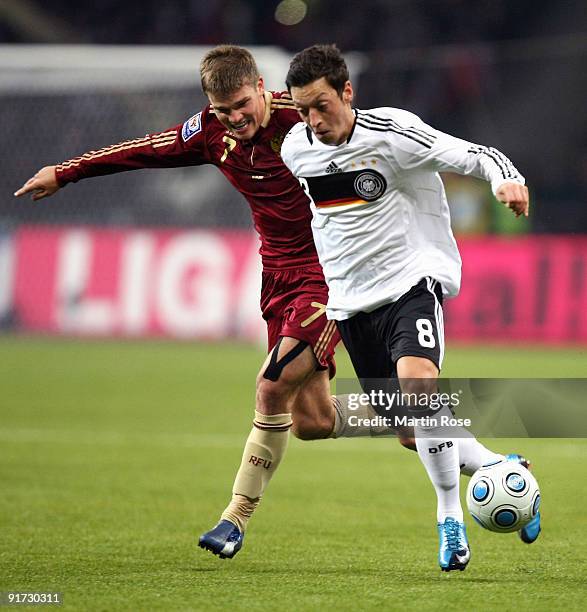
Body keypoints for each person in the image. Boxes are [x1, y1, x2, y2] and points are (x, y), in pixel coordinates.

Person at [15, 45, 416, 560]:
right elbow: (143, 150)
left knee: (271, 386)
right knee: (311, 421)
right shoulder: (210, 132)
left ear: (260, 88)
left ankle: (234, 519)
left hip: (332, 274)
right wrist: (66, 171)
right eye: (224, 110)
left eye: (242, 105)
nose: (235, 118)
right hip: (278, 278)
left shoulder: (303, 120)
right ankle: (428, 410)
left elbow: (379, 153)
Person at [282, 44, 540, 571]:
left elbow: (473, 153)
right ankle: (501, 468)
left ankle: (449, 518)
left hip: (411, 283)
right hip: (351, 304)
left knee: (420, 388)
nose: (313, 120)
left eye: (322, 106)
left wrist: (504, 179)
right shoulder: (295, 148)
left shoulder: (393, 134)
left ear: (347, 92)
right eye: (303, 109)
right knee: (410, 428)